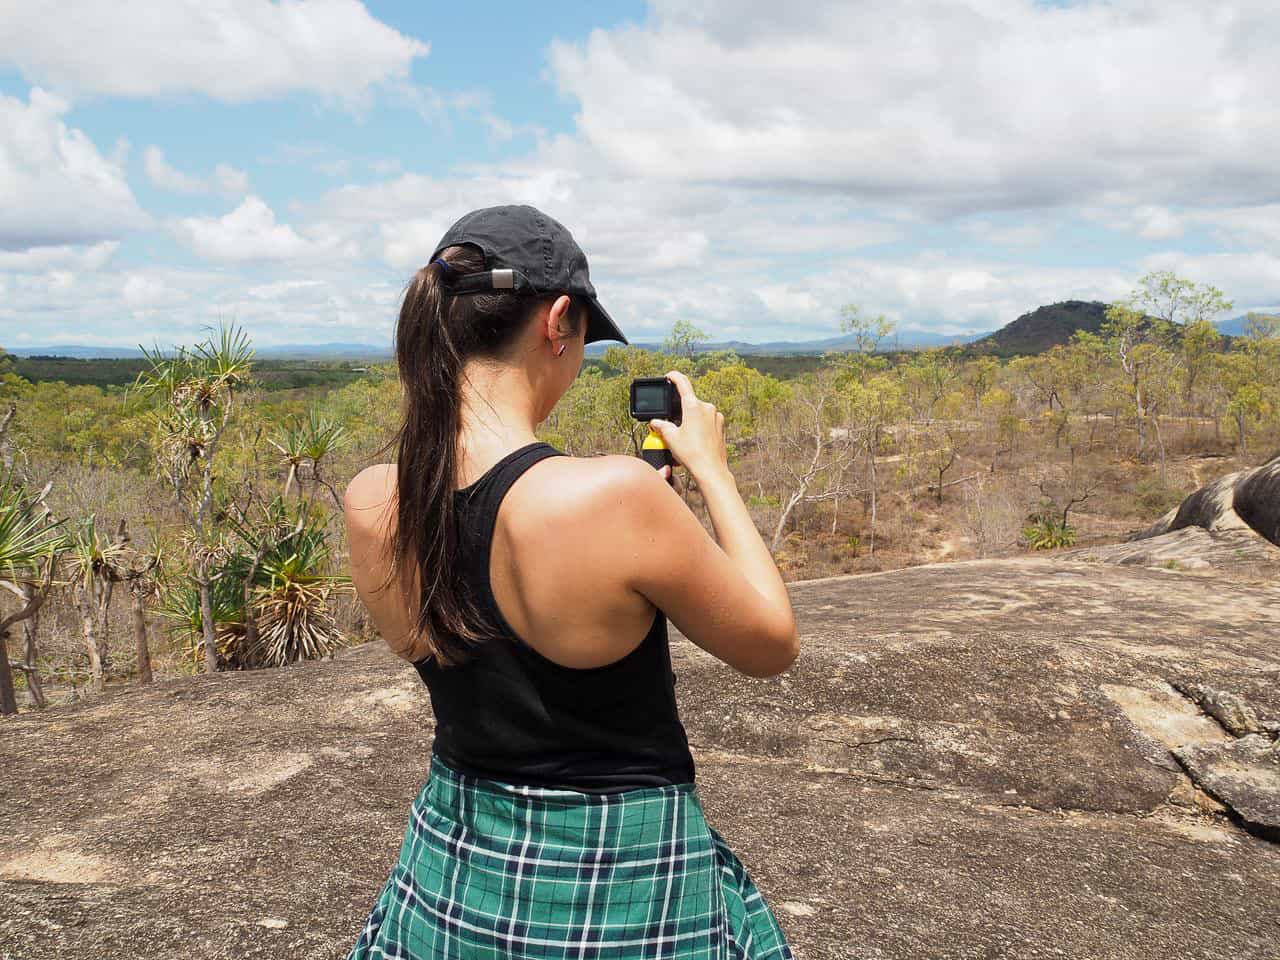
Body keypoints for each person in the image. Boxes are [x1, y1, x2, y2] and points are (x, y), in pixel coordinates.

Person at [342, 204, 800, 959]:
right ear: (558, 321)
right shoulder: (613, 494)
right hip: (617, 879)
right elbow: (770, 642)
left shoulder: (373, 500)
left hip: (455, 868)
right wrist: (712, 471)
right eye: (583, 335)